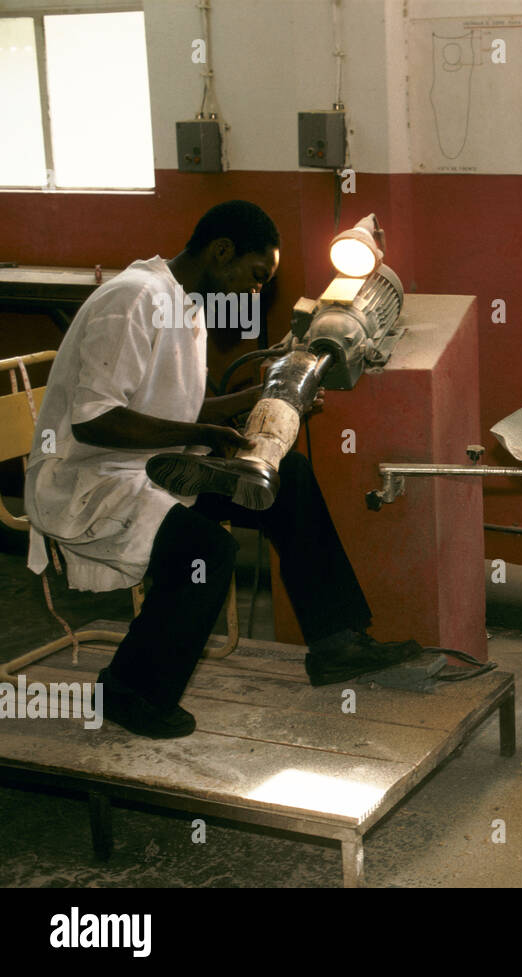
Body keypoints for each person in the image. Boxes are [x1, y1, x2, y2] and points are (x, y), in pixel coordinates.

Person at [25, 200, 423, 739]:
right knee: (206, 551)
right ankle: (128, 690)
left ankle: (337, 642)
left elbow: (178, 413)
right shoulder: (133, 299)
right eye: (256, 278)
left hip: (156, 463)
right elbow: (95, 422)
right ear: (221, 252)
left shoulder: (183, 306)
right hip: (91, 478)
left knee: (292, 480)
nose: (255, 294)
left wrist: (266, 396)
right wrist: (201, 436)